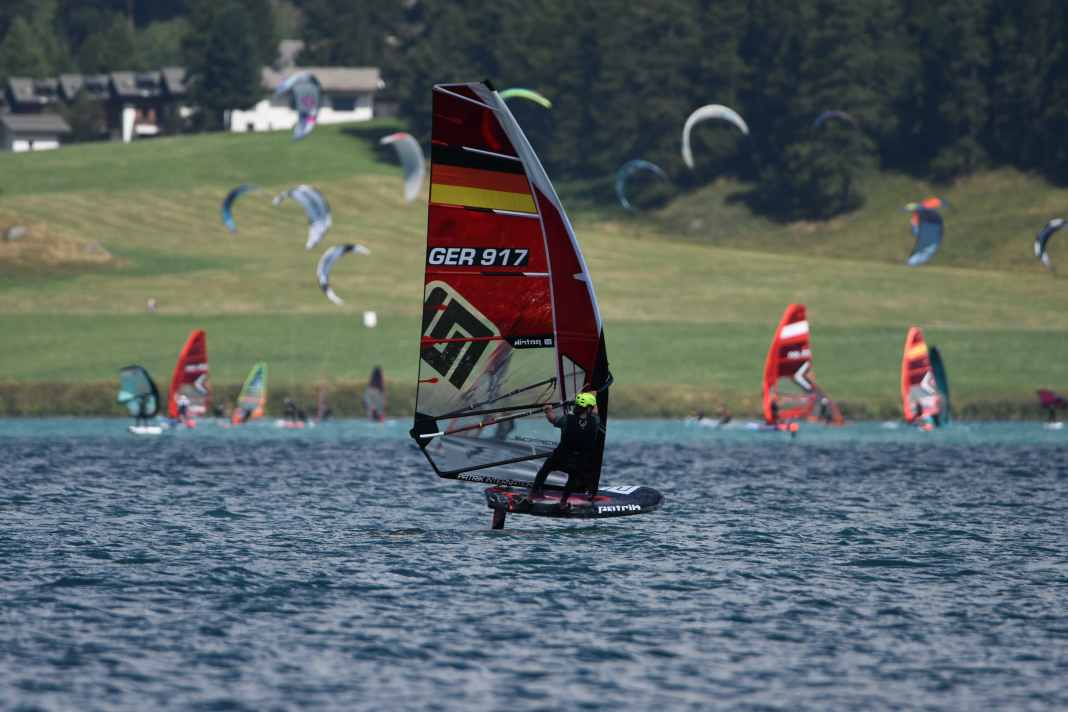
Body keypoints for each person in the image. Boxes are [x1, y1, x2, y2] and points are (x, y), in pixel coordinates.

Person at [528, 391, 601, 510]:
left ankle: (531, 497)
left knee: (545, 470)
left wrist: (547, 410)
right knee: (572, 478)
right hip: (579, 460)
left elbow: (552, 419)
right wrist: (593, 397)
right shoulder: (595, 421)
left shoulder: (567, 420)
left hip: (561, 456)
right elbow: (594, 411)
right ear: (589, 408)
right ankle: (563, 502)